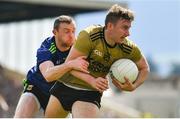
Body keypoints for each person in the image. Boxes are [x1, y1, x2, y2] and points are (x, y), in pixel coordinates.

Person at [45, 4, 150, 118]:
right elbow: (69, 65)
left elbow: (144, 68)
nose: (128, 33)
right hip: (65, 85)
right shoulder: (89, 36)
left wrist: (134, 86)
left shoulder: (128, 48)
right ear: (110, 26)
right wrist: (92, 80)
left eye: (129, 28)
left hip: (89, 93)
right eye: (124, 28)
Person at [14, 15, 89, 118]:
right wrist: (70, 64)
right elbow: (48, 75)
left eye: (73, 31)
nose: (71, 35)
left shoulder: (78, 48)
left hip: (60, 93)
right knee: (21, 116)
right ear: (55, 32)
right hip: (37, 87)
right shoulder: (47, 47)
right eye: (66, 31)